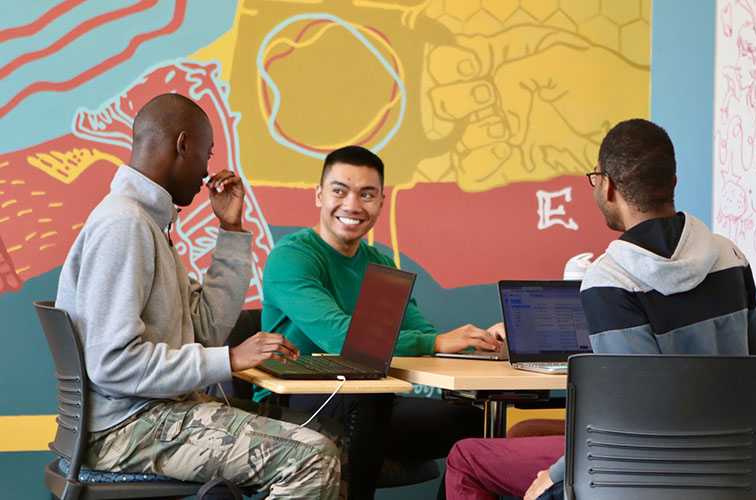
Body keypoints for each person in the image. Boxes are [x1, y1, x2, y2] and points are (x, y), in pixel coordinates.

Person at [445, 118, 756, 500]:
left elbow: (628, 416)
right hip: (738, 477)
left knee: (467, 458)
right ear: (672, 182)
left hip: (636, 478)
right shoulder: (730, 257)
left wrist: (556, 473)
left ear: (606, 186)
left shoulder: (610, 279)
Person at [56, 93, 343, 498]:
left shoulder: (150, 224)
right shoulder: (124, 224)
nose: (208, 171)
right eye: (206, 154)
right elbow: (111, 364)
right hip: (125, 428)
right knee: (313, 456)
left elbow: (205, 329)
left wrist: (231, 231)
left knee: (327, 433)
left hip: (152, 412)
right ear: (183, 145)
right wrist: (230, 359)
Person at [260, 145, 504, 499]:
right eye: (339, 191)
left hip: (367, 402)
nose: (353, 204)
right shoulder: (292, 257)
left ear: (381, 203)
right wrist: (434, 343)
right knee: (371, 390)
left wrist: (484, 339)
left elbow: (422, 335)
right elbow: (342, 339)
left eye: (366, 194)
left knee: (475, 424)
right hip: (293, 402)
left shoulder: (382, 264)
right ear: (318, 195)